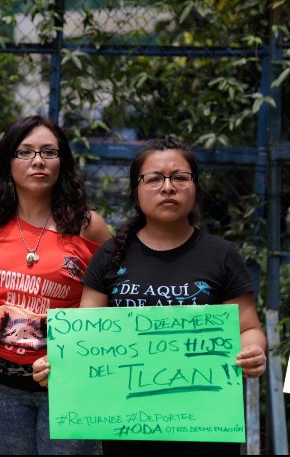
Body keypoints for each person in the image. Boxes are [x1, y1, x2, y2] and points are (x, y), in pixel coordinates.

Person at [32, 136, 267, 454]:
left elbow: (249, 328)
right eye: (154, 178)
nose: (168, 187)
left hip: (204, 426)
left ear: (194, 187)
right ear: (136, 190)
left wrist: (252, 351)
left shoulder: (222, 255)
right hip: (128, 430)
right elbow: (84, 337)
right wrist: (57, 364)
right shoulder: (110, 255)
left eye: (180, 177)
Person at [0, 115, 111, 455]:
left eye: (48, 152)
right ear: (7, 163)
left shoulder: (90, 227)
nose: (38, 160)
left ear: (63, 162)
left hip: (70, 377)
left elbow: (106, 303)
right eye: (24, 152)